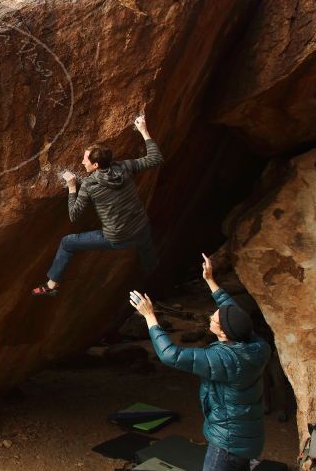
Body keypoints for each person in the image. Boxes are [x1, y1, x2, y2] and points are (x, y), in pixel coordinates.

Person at [130, 253, 271, 471]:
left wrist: (149, 316)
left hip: (227, 443)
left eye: (214, 319)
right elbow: (233, 312)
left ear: (223, 333)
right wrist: (210, 279)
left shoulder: (224, 360)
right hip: (249, 438)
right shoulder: (256, 346)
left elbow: (171, 355)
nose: (211, 317)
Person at [32, 111, 162, 296]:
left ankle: (51, 286)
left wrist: (71, 188)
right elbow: (155, 159)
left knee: (67, 242)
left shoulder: (89, 184)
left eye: (86, 159)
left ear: (96, 166)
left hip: (117, 238)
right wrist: (143, 130)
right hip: (141, 229)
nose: (82, 161)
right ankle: (154, 276)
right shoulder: (124, 167)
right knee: (146, 251)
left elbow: (73, 215)